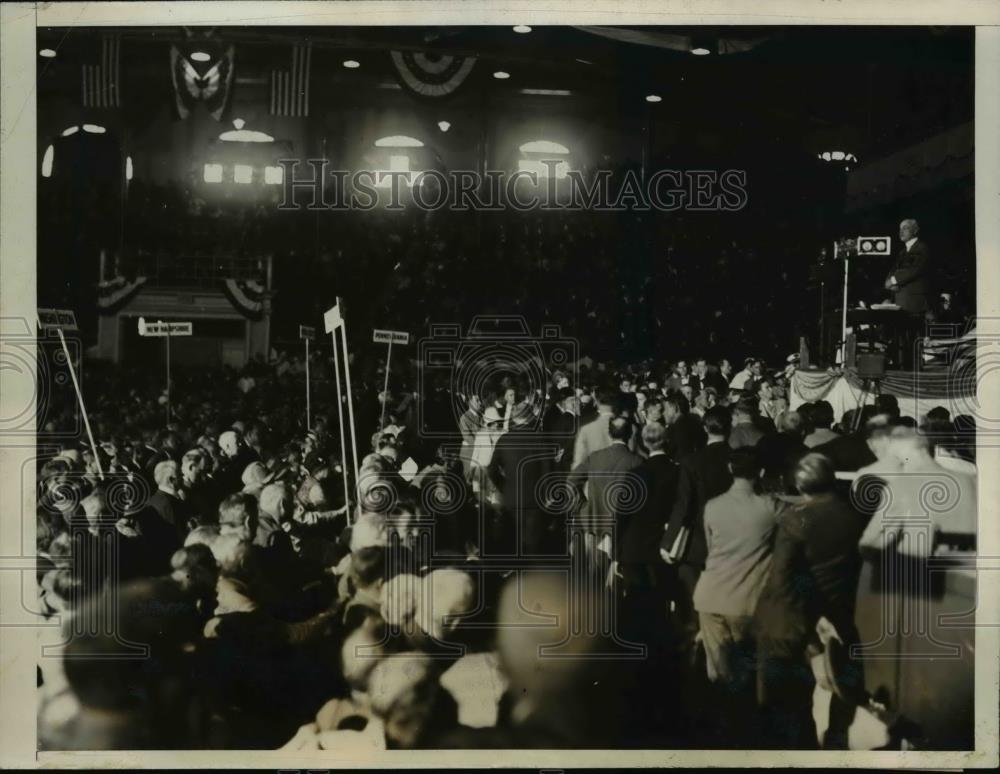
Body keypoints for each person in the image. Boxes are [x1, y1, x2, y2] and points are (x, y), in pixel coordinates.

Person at [753, 453, 867, 750]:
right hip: (838, 612)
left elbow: (781, 577)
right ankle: (834, 740)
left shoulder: (794, 519)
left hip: (793, 619)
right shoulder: (854, 517)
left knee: (786, 705)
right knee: (842, 691)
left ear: (802, 486)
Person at [693, 447, 779, 728]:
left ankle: (720, 726)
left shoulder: (713, 506)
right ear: (762, 473)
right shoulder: (771, 508)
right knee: (746, 670)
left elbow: (710, 547)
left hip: (711, 595)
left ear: (730, 469)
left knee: (718, 670)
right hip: (747, 600)